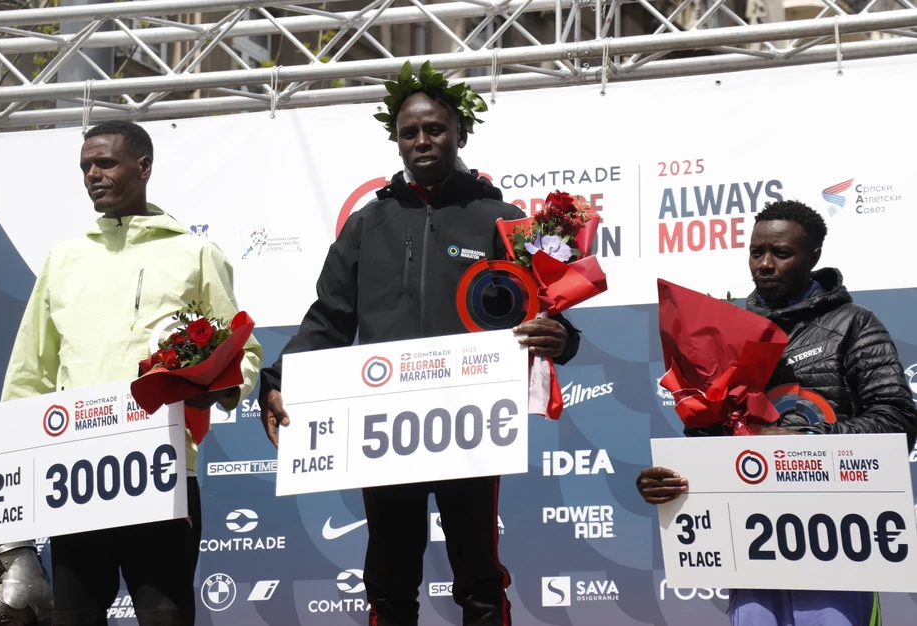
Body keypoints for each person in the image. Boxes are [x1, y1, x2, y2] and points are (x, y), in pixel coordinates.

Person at [258, 63, 581, 626]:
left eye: (435, 129)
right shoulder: (367, 224)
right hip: (385, 420)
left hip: (472, 418)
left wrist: (563, 338)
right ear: (397, 141)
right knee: (388, 578)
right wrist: (278, 378)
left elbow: (545, 310)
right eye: (409, 132)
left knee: (480, 576)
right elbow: (330, 317)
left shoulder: (502, 221)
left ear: (460, 134)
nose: (422, 141)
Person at [0, 120, 262, 626]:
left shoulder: (194, 253)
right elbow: (30, 371)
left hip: (160, 467)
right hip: (75, 471)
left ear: (143, 166)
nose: (93, 174)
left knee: (165, 615)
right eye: (85, 166)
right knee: (74, 617)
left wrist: (215, 389)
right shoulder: (63, 259)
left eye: (105, 162)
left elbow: (242, 350)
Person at [637, 200, 917, 625]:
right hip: (752, 548)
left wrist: (806, 443)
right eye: (756, 252)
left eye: (781, 253)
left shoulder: (855, 323)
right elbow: (709, 437)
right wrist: (672, 480)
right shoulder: (727, 329)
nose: (764, 264)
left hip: (838, 547)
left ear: (813, 256)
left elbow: (898, 421)